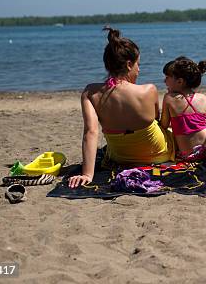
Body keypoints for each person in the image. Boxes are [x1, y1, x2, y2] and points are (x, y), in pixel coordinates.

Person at [68, 26, 173, 188]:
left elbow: (91, 132)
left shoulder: (90, 92)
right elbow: (157, 122)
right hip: (158, 155)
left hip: (120, 157)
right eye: (139, 64)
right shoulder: (149, 90)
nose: (139, 69)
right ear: (129, 64)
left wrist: (87, 174)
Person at [160, 57, 206, 160]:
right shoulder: (202, 98)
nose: (164, 81)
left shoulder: (168, 98)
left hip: (186, 155)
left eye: (167, 77)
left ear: (180, 81)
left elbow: (164, 125)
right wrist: (198, 129)